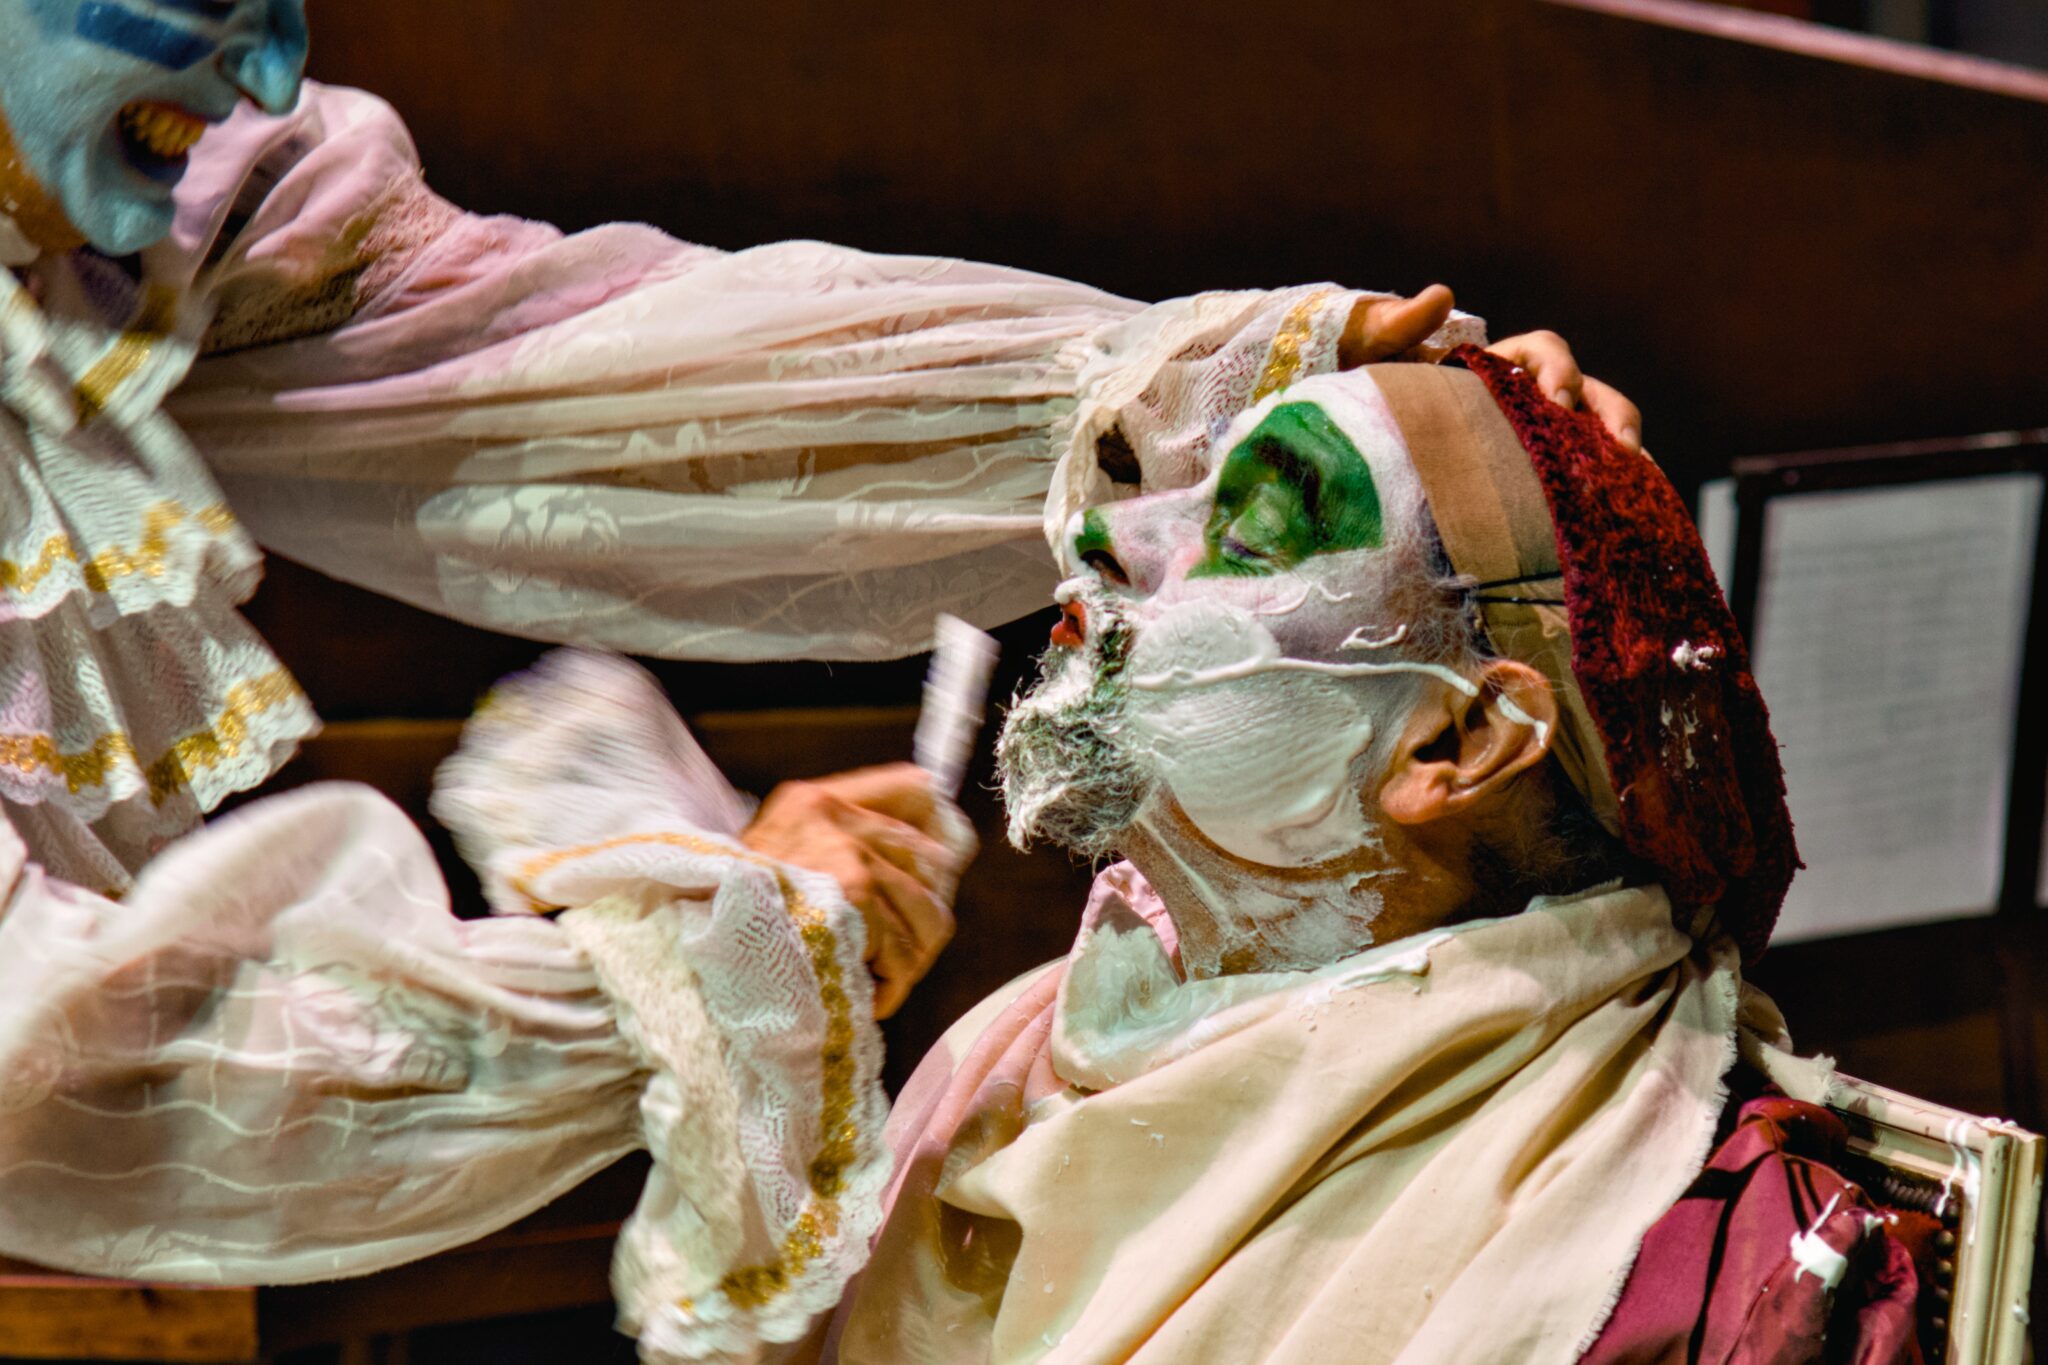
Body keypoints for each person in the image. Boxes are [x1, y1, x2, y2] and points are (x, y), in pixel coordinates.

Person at [0, 353, 1933, 1363]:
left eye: (1252, 526)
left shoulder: (1682, 1266)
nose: (1099, 548)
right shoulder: (1009, 1050)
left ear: (1451, 744)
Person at [0, 0, 1637, 936]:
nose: (270, 80)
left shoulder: (185, 212)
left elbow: (609, 377)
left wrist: (1238, 376)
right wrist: (685, 978)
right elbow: (54, 1052)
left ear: (1463, 735)